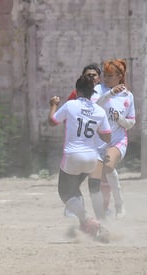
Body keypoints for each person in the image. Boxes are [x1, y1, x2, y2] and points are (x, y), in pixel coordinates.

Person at [48, 75, 111, 243]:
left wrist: (53, 105)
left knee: (64, 192)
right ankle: (86, 225)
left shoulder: (71, 105)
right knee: (74, 188)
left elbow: (53, 121)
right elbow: (107, 137)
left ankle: (88, 221)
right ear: (92, 93)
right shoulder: (99, 111)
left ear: (77, 91)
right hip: (91, 157)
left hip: (73, 156)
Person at [66, 63, 110, 220]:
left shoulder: (107, 92)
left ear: (99, 78)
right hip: (82, 147)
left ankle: (101, 217)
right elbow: (69, 119)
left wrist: (107, 148)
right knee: (74, 184)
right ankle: (81, 215)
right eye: (88, 75)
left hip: (98, 148)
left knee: (95, 186)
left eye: (94, 75)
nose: (91, 77)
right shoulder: (76, 96)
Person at [95, 59, 136, 219]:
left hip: (118, 140)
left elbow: (131, 123)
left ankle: (119, 204)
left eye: (110, 76)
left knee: (109, 165)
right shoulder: (99, 89)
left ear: (120, 76)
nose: (106, 78)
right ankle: (102, 211)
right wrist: (111, 93)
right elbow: (96, 105)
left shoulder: (128, 96)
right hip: (99, 140)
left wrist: (120, 120)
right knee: (99, 178)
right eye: (105, 75)